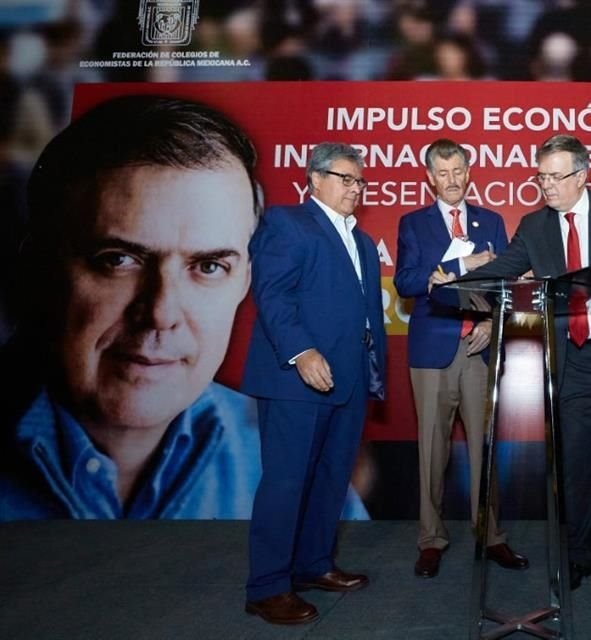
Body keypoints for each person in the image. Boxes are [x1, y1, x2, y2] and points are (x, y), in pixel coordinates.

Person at [0, 95, 261, 520]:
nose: (161, 313)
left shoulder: (291, 462)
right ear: (39, 268)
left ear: (244, 282)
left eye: (209, 266)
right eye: (118, 260)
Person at [447, 134, 591, 608]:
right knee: (575, 470)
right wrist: (449, 281)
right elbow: (505, 269)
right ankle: (578, 556)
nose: (545, 185)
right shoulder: (534, 226)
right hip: (572, 363)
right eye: (540, 176)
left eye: (553, 176)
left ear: (581, 175)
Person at [242, 143, 386, 625]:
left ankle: (313, 565)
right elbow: (272, 294)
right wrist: (301, 351)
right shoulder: (288, 223)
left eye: (360, 181)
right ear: (314, 180)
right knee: (286, 483)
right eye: (345, 178)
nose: (355, 188)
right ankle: (267, 588)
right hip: (296, 379)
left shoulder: (363, 242)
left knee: (329, 480)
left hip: (348, 382)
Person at [394, 138, 528, 579]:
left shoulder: (491, 220)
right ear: (430, 177)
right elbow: (408, 282)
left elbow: (504, 284)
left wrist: (492, 324)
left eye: (458, 172)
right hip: (433, 350)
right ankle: (431, 540)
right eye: (443, 173)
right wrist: (461, 264)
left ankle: (491, 536)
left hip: (480, 348)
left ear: (469, 174)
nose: (452, 181)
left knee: (483, 451)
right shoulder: (413, 223)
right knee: (431, 453)